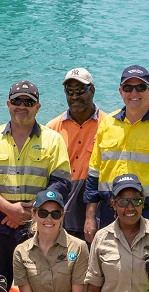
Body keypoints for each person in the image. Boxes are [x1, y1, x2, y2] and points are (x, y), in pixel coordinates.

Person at [0, 80, 71, 287]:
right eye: (17, 101)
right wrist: (10, 210)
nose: (22, 106)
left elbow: (61, 183)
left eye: (29, 102)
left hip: (39, 227)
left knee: (41, 288)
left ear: (38, 107)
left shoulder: (53, 140)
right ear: (8, 104)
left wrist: (31, 211)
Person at [82, 65, 149, 237]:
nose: (134, 93)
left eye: (141, 87)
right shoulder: (107, 124)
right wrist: (90, 218)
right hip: (109, 213)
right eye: (128, 88)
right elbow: (94, 176)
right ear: (120, 91)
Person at [46, 67, 105, 240]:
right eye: (69, 91)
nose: (74, 96)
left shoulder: (109, 126)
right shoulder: (52, 128)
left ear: (92, 90)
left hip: (97, 205)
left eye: (80, 91)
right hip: (62, 202)